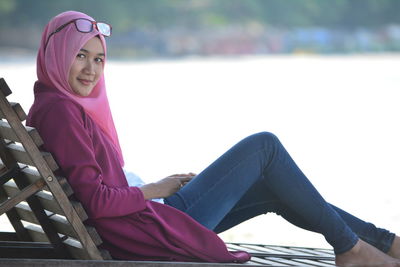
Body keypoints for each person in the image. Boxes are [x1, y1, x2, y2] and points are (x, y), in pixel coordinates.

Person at [26, 11, 400, 267]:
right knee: (264, 147)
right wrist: (158, 188)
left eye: (99, 59)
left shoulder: (51, 103)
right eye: (81, 56)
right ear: (58, 54)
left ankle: (380, 244)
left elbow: (95, 189)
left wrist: (157, 189)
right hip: (146, 230)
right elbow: (97, 200)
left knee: (272, 188)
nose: (91, 69)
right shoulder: (61, 111)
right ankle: (356, 247)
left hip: (141, 223)